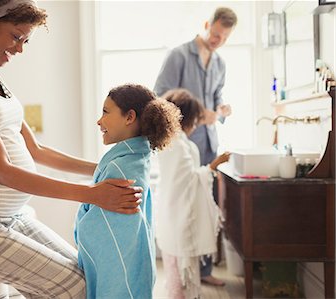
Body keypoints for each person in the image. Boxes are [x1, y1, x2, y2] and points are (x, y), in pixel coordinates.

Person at [0, 1, 143, 298]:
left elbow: (37, 150)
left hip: (9, 218)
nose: (20, 49)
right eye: (16, 37)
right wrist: (92, 194)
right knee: (77, 289)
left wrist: (104, 168)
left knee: (87, 276)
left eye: (25, 41)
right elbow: (0, 170)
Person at [154, 7, 237, 286]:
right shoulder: (178, 55)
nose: (217, 41)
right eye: (215, 34)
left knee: (204, 203)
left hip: (208, 143)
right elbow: (160, 96)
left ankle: (202, 272)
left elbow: (216, 97)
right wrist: (197, 113)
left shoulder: (220, 64)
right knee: (182, 205)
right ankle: (180, 268)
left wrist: (221, 109)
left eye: (224, 38)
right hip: (183, 141)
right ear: (206, 25)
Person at [74, 84, 181, 299]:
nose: (99, 121)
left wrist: (81, 221)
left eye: (105, 112)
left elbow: (103, 231)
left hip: (118, 274)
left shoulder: (120, 168)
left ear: (129, 117)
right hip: (136, 265)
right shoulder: (138, 158)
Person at [156, 88, 230, 299]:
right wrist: (214, 165)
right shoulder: (178, 145)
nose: (196, 126)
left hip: (171, 215)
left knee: (175, 273)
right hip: (179, 218)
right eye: (195, 121)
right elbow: (188, 181)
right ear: (186, 118)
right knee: (180, 275)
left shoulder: (170, 142)